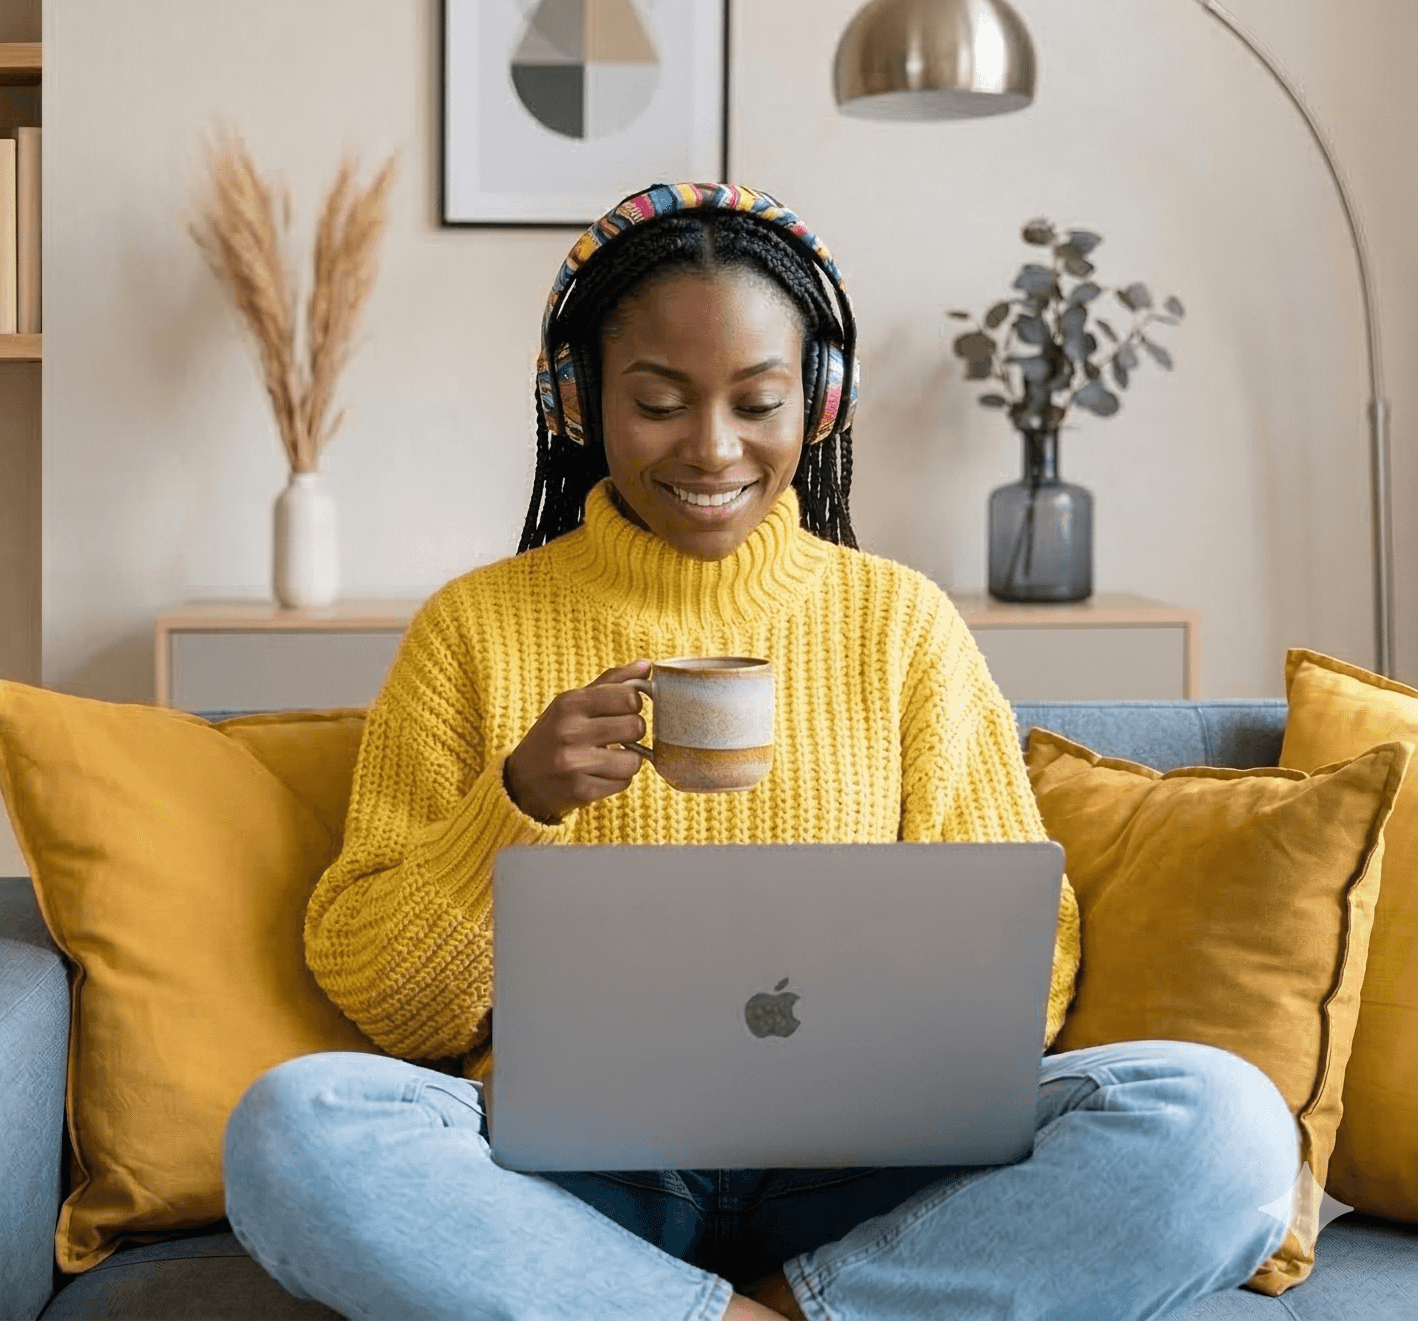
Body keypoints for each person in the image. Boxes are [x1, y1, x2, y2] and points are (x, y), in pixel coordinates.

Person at [218, 185, 1298, 1321]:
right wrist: (515, 803)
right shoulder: (472, 631)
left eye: (758, 402)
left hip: (871, 1165)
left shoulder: (900, 624)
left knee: (1222, 1126)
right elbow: (391, 1007)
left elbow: (1035, 976)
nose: (712, 447)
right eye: (658, 402)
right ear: (577, 400)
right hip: (575, 1179)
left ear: (820, 403)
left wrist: (892, 1031)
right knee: (295, 1129)